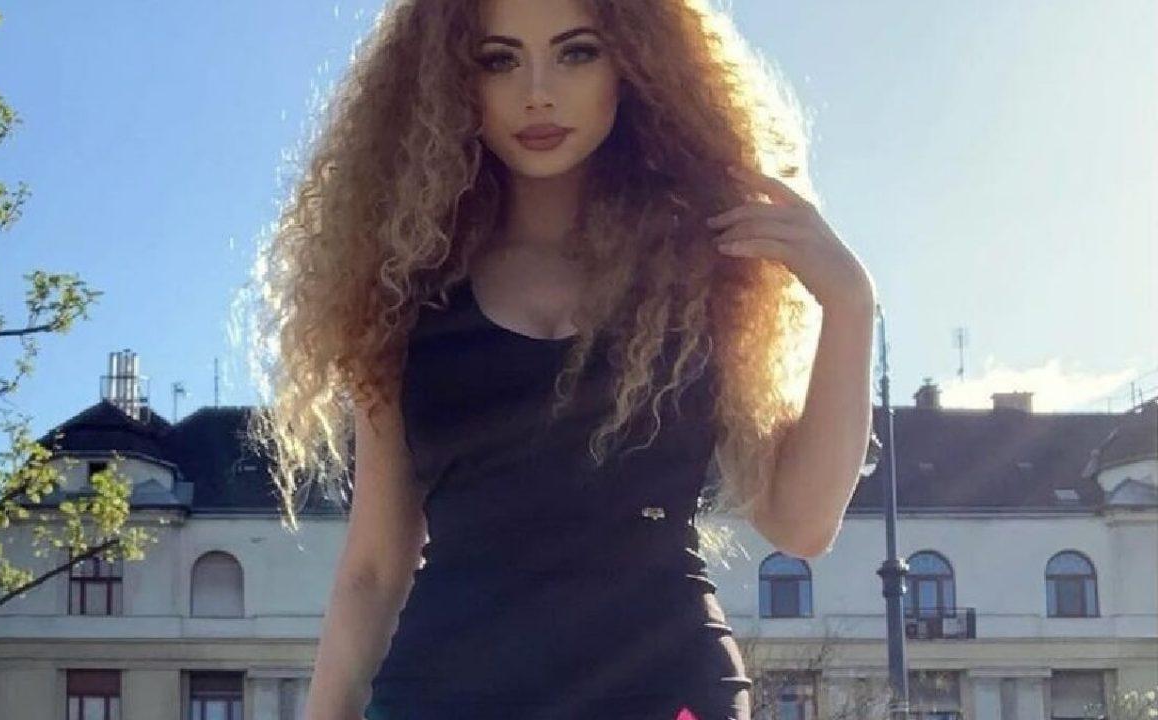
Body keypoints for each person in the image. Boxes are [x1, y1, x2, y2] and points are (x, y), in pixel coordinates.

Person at [251, 0, 876, 717]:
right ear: (449, 79)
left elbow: (800, 522)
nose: (537, 92)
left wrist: (850, 303)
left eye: (577, 52)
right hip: (446, 695)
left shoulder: (705, 274)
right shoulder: (401, 294)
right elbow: (372, 567)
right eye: (500, 59)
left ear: (635, 63)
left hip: (662, 690)